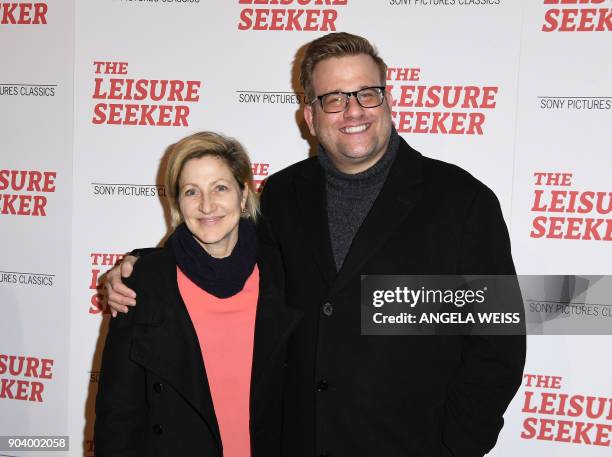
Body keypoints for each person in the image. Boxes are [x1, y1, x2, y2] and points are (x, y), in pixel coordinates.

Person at [107, 33, 526, 457]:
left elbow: (499, 342)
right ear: (310, 117)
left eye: (367, 93)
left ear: (388, 100)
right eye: (334, 99)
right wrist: (142, 269)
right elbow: (222, 256)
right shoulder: (283, 195)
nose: (353, 110)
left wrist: (456, 446)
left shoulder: (462, 201)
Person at [94, 132, 300, 457]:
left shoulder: (284, 273)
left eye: (220, 187)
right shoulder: (141, 284)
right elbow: (118, 416)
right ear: (177, 203)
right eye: (192, 191)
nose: (207, 205)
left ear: (243, 195)